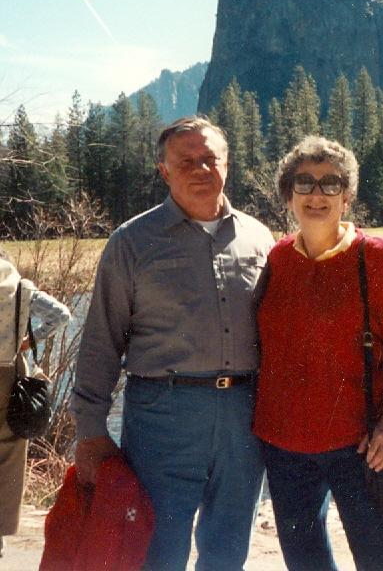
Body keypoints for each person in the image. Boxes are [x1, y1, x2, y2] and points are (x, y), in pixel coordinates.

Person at [71, 116, 274, 570]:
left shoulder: (259, 237)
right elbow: (101, 341)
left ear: (227, 165)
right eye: (186, 161)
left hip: (244, 414)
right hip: (162, 416)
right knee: (157, 550)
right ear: (163, 170)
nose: (200, 169)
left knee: (228, 550)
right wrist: (90, 430)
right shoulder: (131, 242)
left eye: (210, 159)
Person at [253, 136, 383, 571]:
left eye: (331, 183)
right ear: (288, 195)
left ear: (347, 197)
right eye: (304, 182)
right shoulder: (278, 259)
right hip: (284, 447)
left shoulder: (376, 258)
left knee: (381, 563)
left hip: (362, 446)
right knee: (305, 563)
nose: (317, 194)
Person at [0, 250, 71, 558]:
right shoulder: (19, 286)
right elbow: (61, 315)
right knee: (9, 455)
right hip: (9, 377)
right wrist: (29, 340)